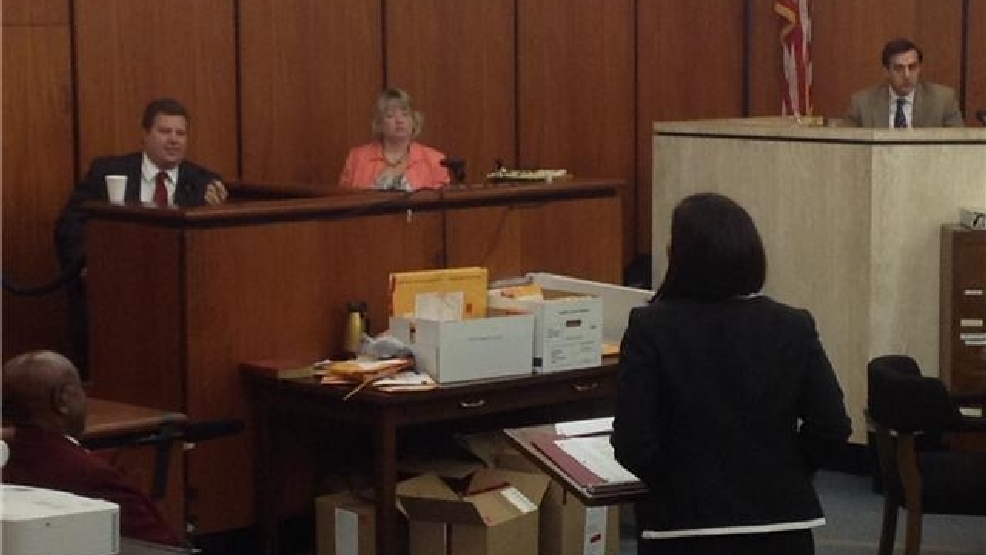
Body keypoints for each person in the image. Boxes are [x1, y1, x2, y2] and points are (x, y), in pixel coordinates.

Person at [611, 193, 852, 555]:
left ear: (681, 257)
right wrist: (785, 470)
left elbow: (634, 442)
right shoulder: (793, 325)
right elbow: (831, 427)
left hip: (683, 527)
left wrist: (676, 482)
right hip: (781, 524)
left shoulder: (651, 327)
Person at [54, 98, 227, 377]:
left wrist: (215, 210)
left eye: (180, 133)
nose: (173, 140)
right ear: (145, 134)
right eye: (165, 131)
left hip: (173, 301)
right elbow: (68, 225)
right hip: (115, 297)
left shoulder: (204, 184)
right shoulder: (107, 171)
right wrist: (89, 265)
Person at [1, 350, 183, 546]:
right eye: (81, 389)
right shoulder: (92, 474)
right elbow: (161, 546)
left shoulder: (9, 458)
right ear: (62, 399)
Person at [339, 88, 450, 191]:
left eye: (405, 114)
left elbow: (442, 203)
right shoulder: (357, 158)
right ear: (379, 123)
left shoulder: (436, 160)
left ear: (414, 121)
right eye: (390, 116)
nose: (399, 120)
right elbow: (344, 199)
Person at [845, 38, 964, 128]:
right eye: (899, 68)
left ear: (919, 68)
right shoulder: (862, 104)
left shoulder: (943, 101)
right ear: (886, 71)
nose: (907, 75)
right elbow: (846, 147)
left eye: (912, 67)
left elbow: (959, 146)